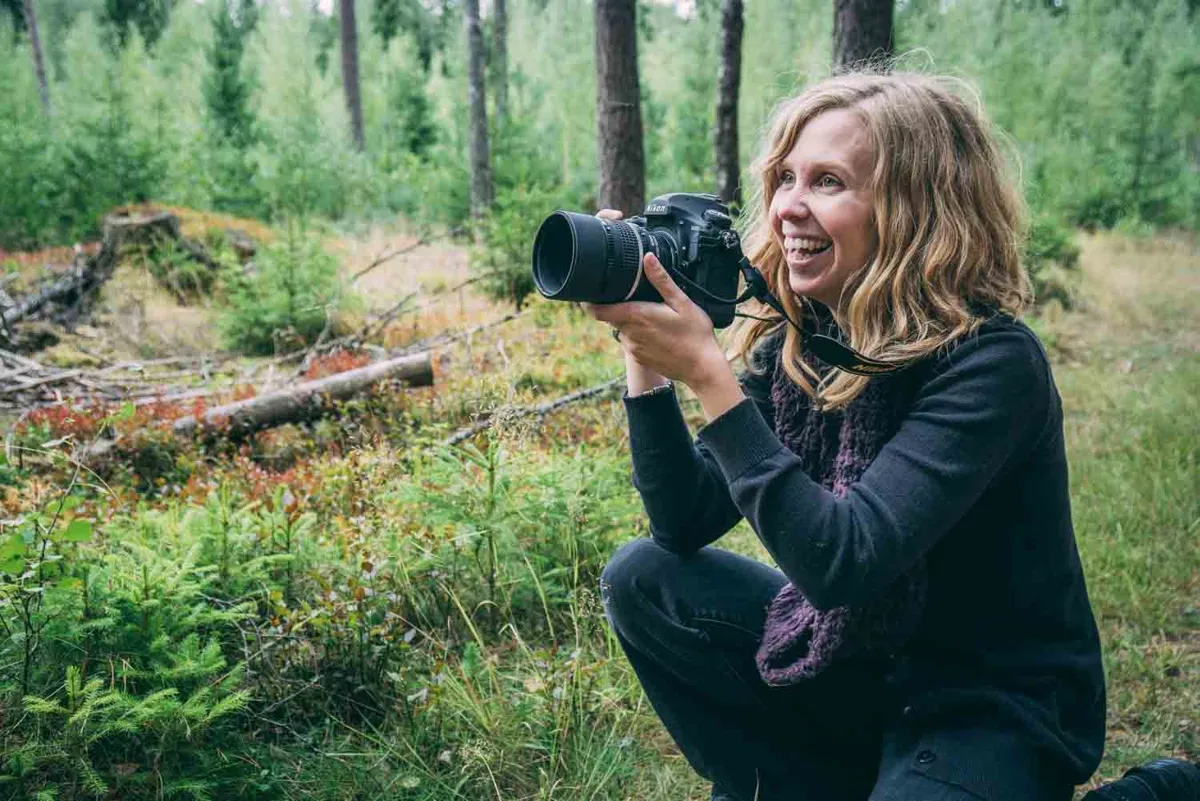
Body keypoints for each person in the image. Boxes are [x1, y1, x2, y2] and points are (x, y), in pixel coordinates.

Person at [582, 72, 1107, 801]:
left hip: (989, 703)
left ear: (915, 208)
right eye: (786, 178)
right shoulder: (806, 342)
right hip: (860, 667)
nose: (788, 206)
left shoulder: (992, 364)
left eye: (828, 181)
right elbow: (683, 519)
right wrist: (643, 349)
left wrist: (712, 379)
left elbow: (845, 559)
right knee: (643, 576)